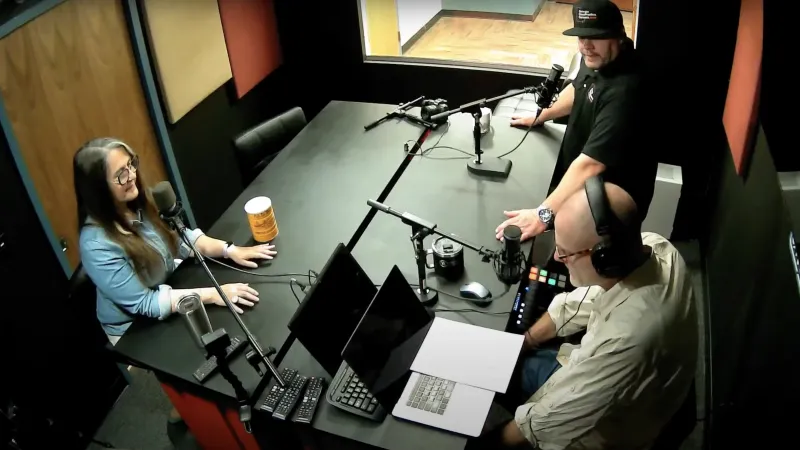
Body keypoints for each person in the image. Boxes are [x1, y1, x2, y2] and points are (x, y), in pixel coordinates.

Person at [495, 178, 697, 449]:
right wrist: (525, 342)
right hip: (629, 380)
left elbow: (545, 421)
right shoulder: (654, 245)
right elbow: (576, 305)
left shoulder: (627, 341)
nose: (557, 258)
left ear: (603, 259)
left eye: (564, 253)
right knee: (513, 363)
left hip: (608, 430)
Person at [74, 138, 277, 344]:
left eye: (131, 164)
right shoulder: (95, 246)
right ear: (98, 189)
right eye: (121, 174)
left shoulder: (136, 203)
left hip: (166, 292)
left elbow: (180, 238)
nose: (132, 175)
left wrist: (229, 250)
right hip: (135, 331)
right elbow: (146, 303)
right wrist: (215, 294)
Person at [496, 0, 656, 243]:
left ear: (618, 35)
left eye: (595, 37)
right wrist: (541, 115)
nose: (586, 46)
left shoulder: (627, 92)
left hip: (605, 209)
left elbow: (591, 164)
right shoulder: (597, 57)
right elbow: (579, 87)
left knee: (575, 258)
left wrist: (542, 215)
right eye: (581, 37)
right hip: (579, 180)